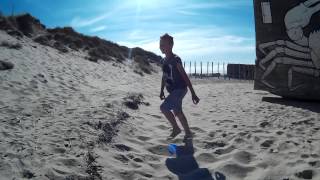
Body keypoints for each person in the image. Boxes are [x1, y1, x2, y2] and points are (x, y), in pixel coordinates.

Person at [159, 33, 200, 140]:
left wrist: (193, 93)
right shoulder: (163, 61)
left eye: (164, 44)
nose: (161, 47)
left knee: (163, 108)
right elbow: (164, 76)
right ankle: (188, 133)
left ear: (171, 45)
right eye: (160, 44)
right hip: (173, 91)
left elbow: (185, 76)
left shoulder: (175, 59)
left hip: (180, 89)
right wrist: (161, 90)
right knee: (177, 112)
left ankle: (176, 128)